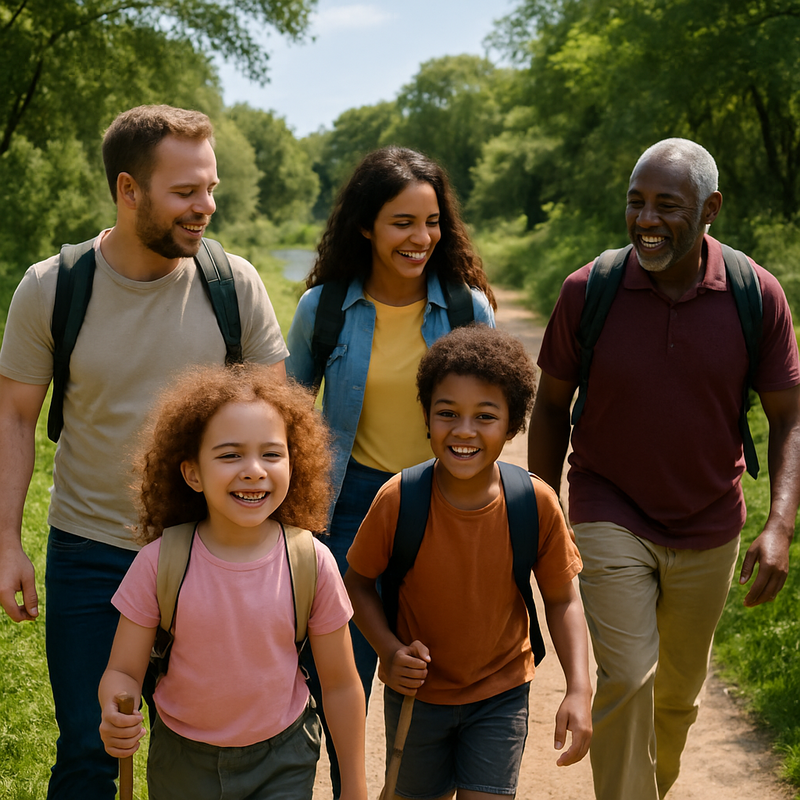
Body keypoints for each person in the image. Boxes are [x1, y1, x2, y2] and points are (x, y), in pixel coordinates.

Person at [0, 105, 288, 799]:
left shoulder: (234, 285)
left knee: (205, 755)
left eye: (210, 188)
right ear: (129, 190)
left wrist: (283, 547)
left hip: (207, 554)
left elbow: (279, 426)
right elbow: (13, 417)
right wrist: (7, 539)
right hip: (90, 554)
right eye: (186, 191)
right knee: (89, 752)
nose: (206, 207)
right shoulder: (51, 287)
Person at [527, 137, 800, 800]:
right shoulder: (589, 291)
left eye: (666, 205)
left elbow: (790, 416)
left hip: (710, 522)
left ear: (711, 208)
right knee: (628, 680)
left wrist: (781, 527)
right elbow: (551, 409)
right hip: (606, 506)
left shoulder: (753, 294)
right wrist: (542, 515)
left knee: (675, 701)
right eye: (636, 202)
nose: (646, 219)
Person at [285, 146, 496, 795]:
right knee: (340, 685)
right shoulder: (322, 310)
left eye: (431, 222)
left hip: (442, 512)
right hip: (345, 512)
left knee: (428, 687)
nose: (420, 238)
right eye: (402, 222)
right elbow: (286, 427)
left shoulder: (468, 313)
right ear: (366, 226)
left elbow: (487, 426)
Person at [98, 364, 367, 800]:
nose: (254, 470)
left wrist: (354, 785)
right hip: (182, 762)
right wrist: (116, 707)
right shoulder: (159, 562)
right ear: (193, 474)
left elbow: (339, 684)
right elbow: (123, 672)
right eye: (229, 455)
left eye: (272, 454)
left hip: (283, 758)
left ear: (294, 464)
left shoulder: (312, 562)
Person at [345, 324, 592, 800]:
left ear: (512, 424)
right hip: (418, 696)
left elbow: (563, 599)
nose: (464, 431)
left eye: (485, 416)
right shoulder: (399, 500)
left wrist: (579, 688)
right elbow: (357, 584)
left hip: (500, 693)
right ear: (426, 416)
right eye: (447, 413)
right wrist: (389, 651)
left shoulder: (534, 503)